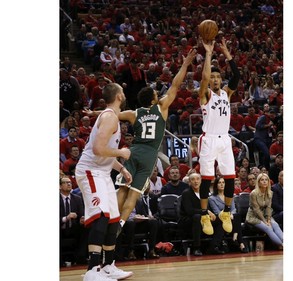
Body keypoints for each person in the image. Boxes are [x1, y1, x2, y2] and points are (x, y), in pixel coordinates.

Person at [114, 49, 197, 232]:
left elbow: (112, 114)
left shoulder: (134, 114)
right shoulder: (162, 108)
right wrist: (185, 64)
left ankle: (112, 220)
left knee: (122, 189)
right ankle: (120, 224)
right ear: (153, 98)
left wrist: (93, 113)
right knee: (133, 195)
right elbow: (175, 84)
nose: (157, 94)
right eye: (155, 93)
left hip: (133, 152)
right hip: (149, 156)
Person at [75, 83, 134, 281]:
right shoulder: (109, 118)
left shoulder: (111, 116)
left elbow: (104, 153)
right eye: (123, 92)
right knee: (101, 216)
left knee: (113, 217)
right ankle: (92, 270)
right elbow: (98, 150)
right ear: (118, 96)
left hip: (103, 172)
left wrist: (122, 168)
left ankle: (109, 265)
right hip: (91, 171)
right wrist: (121, 152)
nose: (124, 95)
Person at [197, 38, 240, 236]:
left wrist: (227, 53)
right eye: (212, 77)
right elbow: (204, 78)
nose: (214, 79)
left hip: (224, 139)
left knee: (230, 177)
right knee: (207, 178)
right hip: (208, 139)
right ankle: (204, 215)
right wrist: (208, 53)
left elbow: (237, 76)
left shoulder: (226, 93)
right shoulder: (205, 95)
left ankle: (225, 211)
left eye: (217, 77)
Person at [179, 173, 225, 256]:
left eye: (198, 179)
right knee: (197, 217)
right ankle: (196, 248)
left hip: (204, 218)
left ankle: (214, 247)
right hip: (188, 220)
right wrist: (206, 212)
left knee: (219, 220)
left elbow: (208, 208)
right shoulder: (186, 193)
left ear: (201, 181)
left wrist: (211, 214)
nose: (196, 181)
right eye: (193, 179)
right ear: (189, 182)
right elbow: (189, 211)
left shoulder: (204, 192)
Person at [209, 176, 248, 253]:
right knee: (236, 218)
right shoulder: (212, 198)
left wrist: (231, 215)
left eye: (223, 182)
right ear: (216, 185)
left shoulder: (230, 196)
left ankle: (235, 237)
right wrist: (227, 215)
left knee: (237, 215)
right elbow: (216, 212)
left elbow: (233, 209)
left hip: (231, 217)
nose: (221, 184)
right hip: (220, 218)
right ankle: (240, 242)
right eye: (219, 183)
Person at [120, 186, 160, 260]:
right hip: (124, 225)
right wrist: (130, 218)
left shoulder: (139, 200)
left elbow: (143, 214)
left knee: (153, 222)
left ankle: (151, 250)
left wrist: (142, 217)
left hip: (137, 223)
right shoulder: (119, 200)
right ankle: (130, 251)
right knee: (130, 223)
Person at [245, 173, 283, 249]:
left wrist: (268, 219)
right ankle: (281, 245)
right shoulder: (253, 193)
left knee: (275, 224)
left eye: (266, 180)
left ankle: (283, 242)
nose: (265, 181)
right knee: (268, 228)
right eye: (262, 180)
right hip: (253, 216)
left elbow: (269, 208)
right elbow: (256, 210)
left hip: (265, 215)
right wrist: (265, 222)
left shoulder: (270, 193)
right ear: (258, 182)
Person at [60, 176, 88, 265]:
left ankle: (81, 258)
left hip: (74, 227)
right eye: (65, 182)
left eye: (70, 182)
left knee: (86, 228)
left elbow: (81, 215)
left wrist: (82, 219)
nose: (69, 184)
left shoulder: (77, 198)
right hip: (60, 227)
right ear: (59, 186)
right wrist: (66, 218)